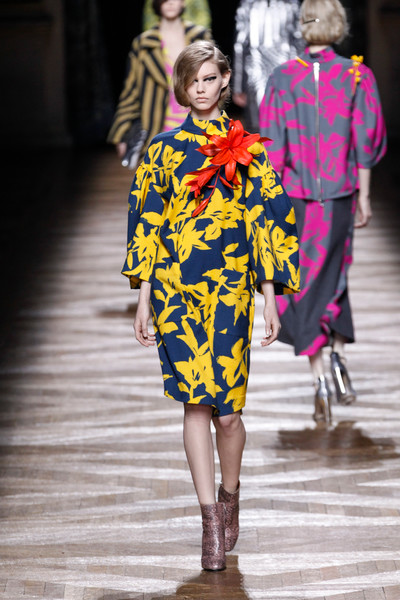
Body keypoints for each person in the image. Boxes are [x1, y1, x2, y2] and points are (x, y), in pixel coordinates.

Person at [121, 40, 300, 570]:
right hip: (176, 290)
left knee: (229, 414)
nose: (200, 89)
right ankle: (209, 524)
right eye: (191, 81)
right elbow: (146, 223)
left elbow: (267, 222)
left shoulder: (249, 150)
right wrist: (144, 299)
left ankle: (230, 494)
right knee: (194, 404)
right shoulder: (162, 150)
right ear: (182, 87)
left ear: (224, 82)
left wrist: (270, 300)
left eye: (208, 79)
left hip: (230, 291)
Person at [259, 0, 387, 424]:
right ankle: (337, 356)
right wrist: (364, 197)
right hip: (339, 196)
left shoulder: (282, 79)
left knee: (305, 283)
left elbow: (273, 147)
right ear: (339, 25)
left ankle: (319, 378)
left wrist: (270, 205)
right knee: (334, 275)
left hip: (297, 198)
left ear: (303, 26)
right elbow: (365, 139)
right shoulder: (356, 75)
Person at [107, 0, 211, 168]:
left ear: (183, 2)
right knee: (161, 181)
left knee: (196, 180)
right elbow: (131, 90)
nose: (169, 2)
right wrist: (122, 132)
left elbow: (214, 84)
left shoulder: (200, 38)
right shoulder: (143, 43)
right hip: (158, 127)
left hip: (197, 126)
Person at [233, 0, 304, 131]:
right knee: (277, 127)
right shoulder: (292, 5)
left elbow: (240, 45)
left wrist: (238, 87)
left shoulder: (248, 5)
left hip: (263, 75)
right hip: (268, 75)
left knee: (261, 127)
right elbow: (299, 44)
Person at [142, 0, 211, 30]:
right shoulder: (145, 40)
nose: (170, 2)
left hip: (189, 33)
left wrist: (196, 34)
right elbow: (149, 17)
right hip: (161, 31)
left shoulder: (198, 34)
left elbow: (202, 14)